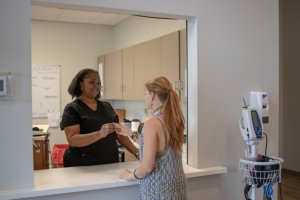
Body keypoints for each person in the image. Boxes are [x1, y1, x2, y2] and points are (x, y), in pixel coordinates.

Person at [117, 76, 187, 200]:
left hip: (158, 192)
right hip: (177, 189)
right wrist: (131, 134)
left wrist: (129, 175)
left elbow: (147, 167)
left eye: (145, 94)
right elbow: (159, 146)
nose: (145, 98)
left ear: (152, 95)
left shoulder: (151, 123)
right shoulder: (174, 120)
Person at [60, 68, 139, 167]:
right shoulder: (72, 109)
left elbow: (120, 135)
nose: (96, 86)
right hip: (83, 165)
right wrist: (99, 134)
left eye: (99, 83)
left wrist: (137, 153)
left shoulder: (107, 106)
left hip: (110, 162)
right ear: (81, 84)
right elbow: (73, 140)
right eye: (91, 82)